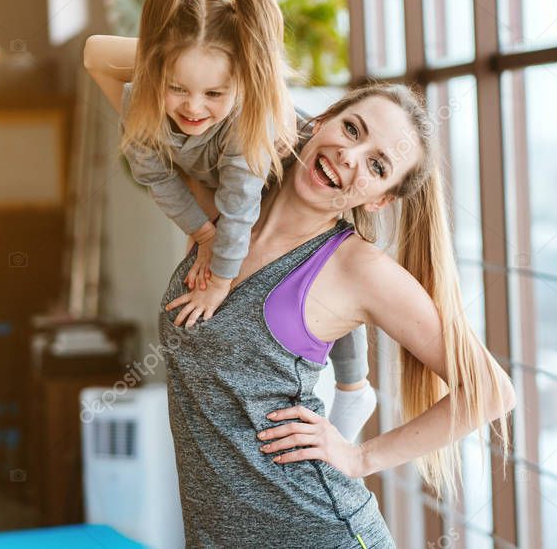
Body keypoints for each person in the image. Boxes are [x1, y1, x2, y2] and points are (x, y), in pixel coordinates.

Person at [159, 83, 516, 547]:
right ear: (321, 119)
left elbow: (491, 391)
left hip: (321, 532)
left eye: (377, 165)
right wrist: (245, 78)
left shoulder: (357, 268)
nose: (350, 157)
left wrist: (360, 458)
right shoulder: (226, 210)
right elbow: (111, 64)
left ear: (380, 199)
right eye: (351, 129)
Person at [83, 0, 376, 442]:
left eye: (214, 93)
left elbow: (239, 208)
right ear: (154, 71)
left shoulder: (245, 127)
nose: (194, 107)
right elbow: (158, 177)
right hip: (230, 184)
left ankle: (353, 384)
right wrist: (202, 234)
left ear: (240, 84)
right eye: (177, 87)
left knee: (323, 258)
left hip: (292, 167)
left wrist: (219, 282)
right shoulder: (142, 103)